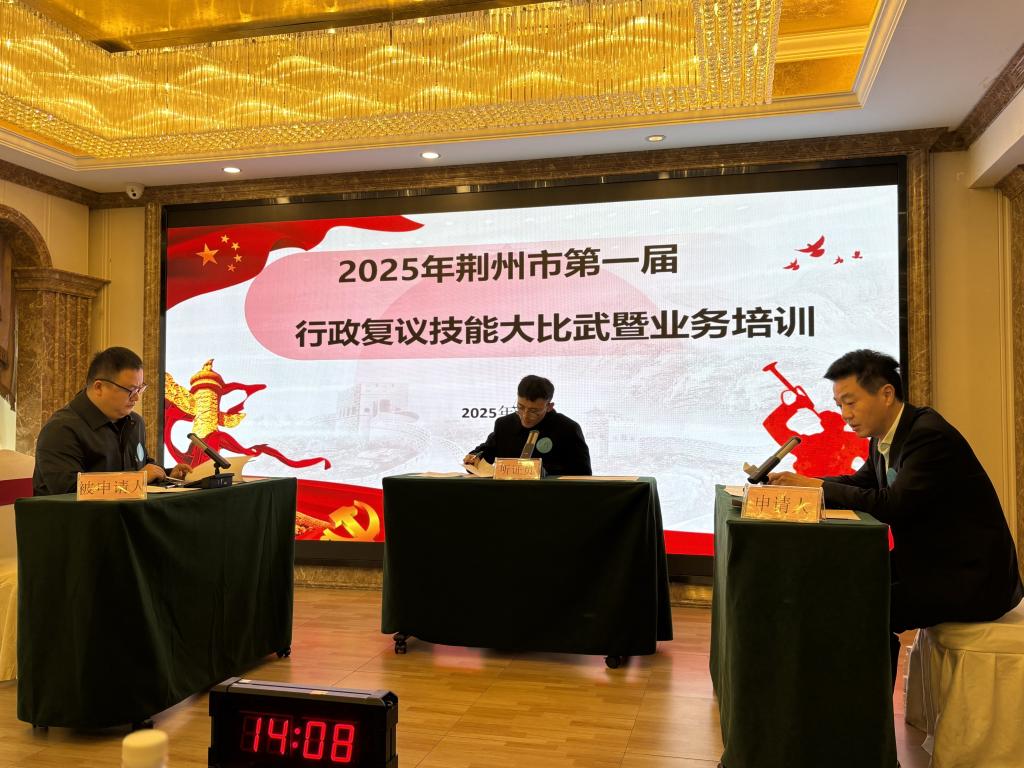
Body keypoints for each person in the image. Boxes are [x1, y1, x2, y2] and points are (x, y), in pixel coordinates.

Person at [768, 349, 1024, 686]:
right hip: (928, 563)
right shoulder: (885, 436)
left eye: (850, 403)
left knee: (860, 603)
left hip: (970, 578)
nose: (845, 415)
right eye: (839, 405)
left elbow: (893, 504)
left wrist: (815, 486)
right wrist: (803, 484)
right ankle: (835, 697)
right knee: (838, 581)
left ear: (886, 393)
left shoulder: (928, 435)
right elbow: (861, 484)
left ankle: (864, 711)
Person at [32, 346, 191, 496]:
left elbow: (140, 466)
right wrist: (136, 479)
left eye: (140, 389)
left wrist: (167, 475)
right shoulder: (61, 429)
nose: (136, 398)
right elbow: (70, 491)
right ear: (99, 387)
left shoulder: (135, 423)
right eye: (131, 390)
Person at [463, 374, 592, 476]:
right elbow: (485, 452)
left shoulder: (567, 429)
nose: (525, 416)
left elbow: (583, 473)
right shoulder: (504, 425)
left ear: (549, 406)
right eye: (520, 407)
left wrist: (542, 471)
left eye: (534, 411)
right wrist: (474, 458)